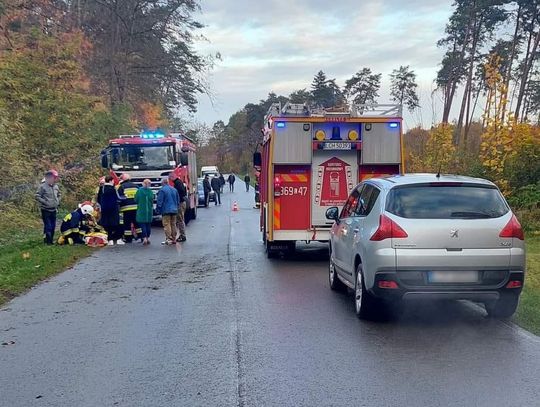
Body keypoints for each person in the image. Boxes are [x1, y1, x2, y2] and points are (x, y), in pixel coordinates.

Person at [35, 170, 61, 245]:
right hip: (45, 210)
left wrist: (58, 201)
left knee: (53, 225)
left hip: (54, 209)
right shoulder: (42, 186)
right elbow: (37, 196)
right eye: (54, 177)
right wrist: (45, 202)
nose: (55, 179)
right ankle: (48, 242)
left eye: (55, 178)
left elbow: (59, 194)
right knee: (48, 225)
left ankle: (50, 240)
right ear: (48, 178)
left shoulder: (56, 186)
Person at [97, 175, 124, 246]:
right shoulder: (113, 188)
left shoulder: (101, 188)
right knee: (116, 223)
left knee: (107, 224)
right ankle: (118, 239)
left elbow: (98, 199)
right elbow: (118, 198)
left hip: (104, 209)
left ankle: (110, 240)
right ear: (111, 181)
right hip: (113, 208)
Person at [118, 173, 140, 243]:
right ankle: (141, 236)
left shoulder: (121, 187)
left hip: (126, 208)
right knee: (137, 223)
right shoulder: (136, 186)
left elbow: (119, 198)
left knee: (127, 224)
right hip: (136, 207)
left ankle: (128, 238)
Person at [157, 178, 179, 245]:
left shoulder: (162, 190)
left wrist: (158, 209)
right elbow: (178, 200)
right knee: (173, 224)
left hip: (166, 210)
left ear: (163, 183)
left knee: (167, 224)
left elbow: (160, 201)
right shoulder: (174, 189)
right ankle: (174, 238)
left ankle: (169, 239)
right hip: (174, 209)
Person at [134, 179, 154, 245]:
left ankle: (144, 238)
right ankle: (147, 238)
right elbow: (152, 200)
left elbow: (136, 200)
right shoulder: (150, 192)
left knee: (142, 225)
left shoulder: (139, 191)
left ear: (143, 183)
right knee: (148, 225)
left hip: (141, 210)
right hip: (149, 211)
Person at [171, 174, 187, 242]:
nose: (170, 179)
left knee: (180, 220)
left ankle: (182, 235)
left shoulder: (177, 183)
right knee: (180, 219)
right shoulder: (179, 182)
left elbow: (182, 192)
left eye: (170, 177)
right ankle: (182, 234)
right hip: (181, 202)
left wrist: (177, 198)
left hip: (180, 203)